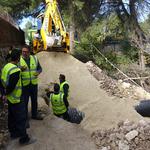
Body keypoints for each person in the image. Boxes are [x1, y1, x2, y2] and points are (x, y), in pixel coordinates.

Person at [1, 49, 35, 145]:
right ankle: (24, 139)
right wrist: (6, 94)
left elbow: (2, 80)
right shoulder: (15, 71)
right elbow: (12, 86)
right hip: (16, 98)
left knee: (11, 116)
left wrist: (3, 93)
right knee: (21, 118)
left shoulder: (7, 66)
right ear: (18, 58)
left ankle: (14, 133)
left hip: (10, 98)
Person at [18, 45, 43, 121]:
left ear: (29, 52)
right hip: (24, 85)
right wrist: (20, 69)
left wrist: (38, 72)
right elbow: (14, 71)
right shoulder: (18, 60)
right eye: (23, 52)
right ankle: (25, 118)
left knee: (34, 100)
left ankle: (34, 115)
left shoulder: (34, 58)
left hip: (33, 84)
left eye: (26, 52)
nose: (24, 53)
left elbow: (40, 68)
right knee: (25, 102)